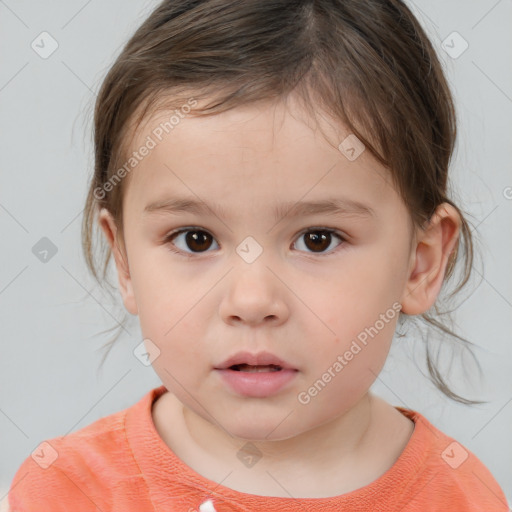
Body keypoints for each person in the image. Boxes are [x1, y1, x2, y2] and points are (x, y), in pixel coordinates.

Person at [8, 0, 509, 510]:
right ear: (126, 262)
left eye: (318, 239)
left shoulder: (462, 497)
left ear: (420, 263)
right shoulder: (69, 492)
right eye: (195, 239)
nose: (252, 301)